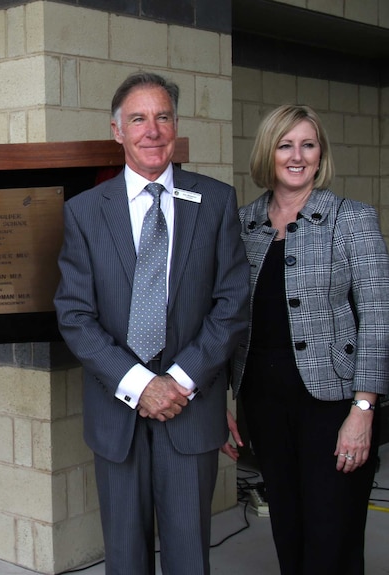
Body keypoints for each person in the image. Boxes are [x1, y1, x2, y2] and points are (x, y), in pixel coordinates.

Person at [54, 71, 250, 574]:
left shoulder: (216, 201)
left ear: (176, 126)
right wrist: (141, 385)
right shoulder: (83, 212)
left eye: (163, 117)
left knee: (189, 555)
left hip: (192, 403)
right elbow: (75, 315)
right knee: (124, 556)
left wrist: (177, 382)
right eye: (138, 118)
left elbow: (231, 304)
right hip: (117, 411)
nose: (153, 130)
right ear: (117, 131)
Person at [230, 104, 387, 575]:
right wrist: (220, 398)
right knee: (290, 533)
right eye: (285, 145)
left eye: (308, 144)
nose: (297, 156)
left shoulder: (352, 219)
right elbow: (225, 317)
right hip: (263, 403)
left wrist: (364, 411)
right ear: (268, 153)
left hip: (333, 405)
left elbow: (379, 319)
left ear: (321, 155)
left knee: (331, 536)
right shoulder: (243, 224)